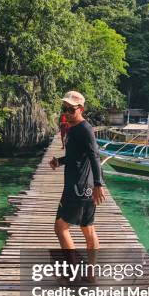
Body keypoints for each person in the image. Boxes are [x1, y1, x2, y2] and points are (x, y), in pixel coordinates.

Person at [49, 91, 105, 252]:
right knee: (87, 228)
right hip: (78, 185)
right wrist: (59, 161)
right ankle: (91, 274)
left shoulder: (85, 129)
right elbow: (75, 156)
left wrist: (98, 183)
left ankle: (72, 272)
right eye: (64, 109)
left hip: (78, 187)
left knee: (60, 228)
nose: (66, 113)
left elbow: (94, 156)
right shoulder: (73, 128)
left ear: (81, 109)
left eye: (71, 110)